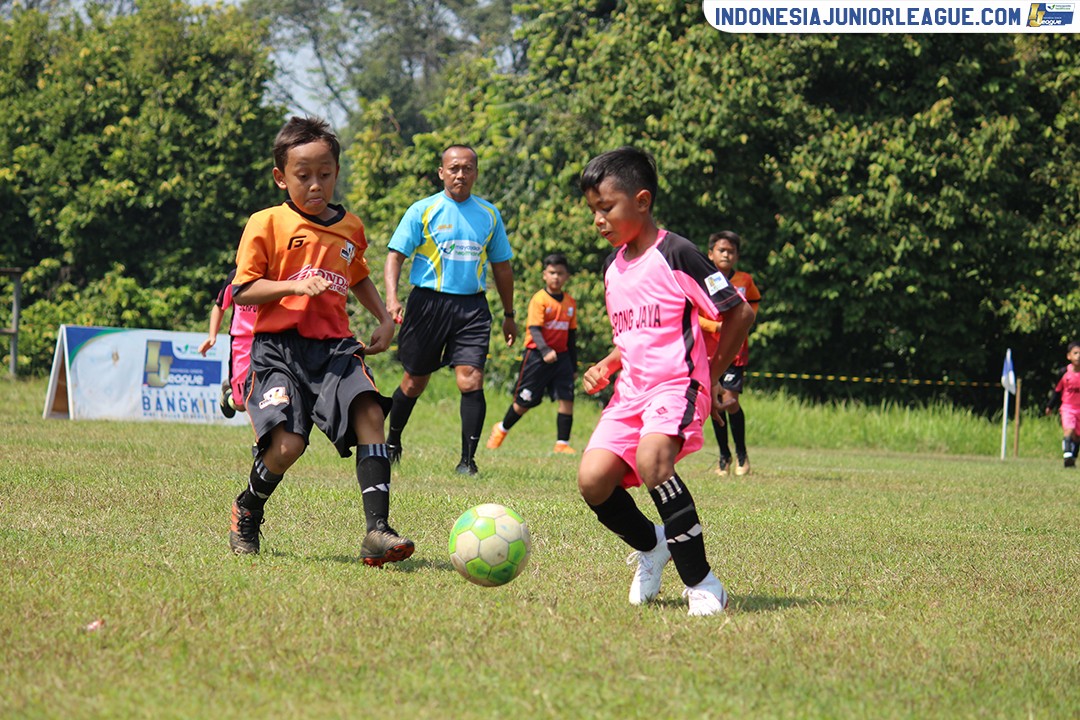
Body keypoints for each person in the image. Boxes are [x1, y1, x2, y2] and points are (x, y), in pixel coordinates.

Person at [226, 116, 414, 566]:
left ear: (335, 172)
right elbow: (243, 290)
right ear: (280, 177)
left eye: (325, 174)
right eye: (303, 175)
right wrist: (292, 286)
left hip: (334, 348)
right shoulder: (265, 223)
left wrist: (385, 318)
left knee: (370, 410)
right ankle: (248, 508)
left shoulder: (350, 227)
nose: (316, 185)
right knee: (288, 446)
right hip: (279, 351)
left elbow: (360, 276)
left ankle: (377, 531)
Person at [576, 147, 755, 617]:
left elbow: (740, 312)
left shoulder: (677, 253)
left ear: (642, 200)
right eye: (593, 210)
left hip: (678, 386)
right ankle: (653, 545)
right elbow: (637, 336)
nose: (599, 219)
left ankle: (703, 583)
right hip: (629, 393)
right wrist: (609, 364)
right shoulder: (613, 269)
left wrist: (711, 375)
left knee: (654, 459)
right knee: (593, 481)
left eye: (606, 208)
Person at [383, 145, 517, 476]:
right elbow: (395, 256)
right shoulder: (422, 210)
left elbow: (502, 267)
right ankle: (392, 441)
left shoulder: (489, 214)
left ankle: (468, 461)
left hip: (471, 306)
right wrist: (392, 298)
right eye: (454, 168)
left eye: (468, 168)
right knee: (414, 382)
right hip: (427, 303)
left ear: (476, 173)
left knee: (470, 379)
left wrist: (510, 314)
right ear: (441, 172)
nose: (461, 174)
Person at [486, 253, 578, 454]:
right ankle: (501, 429)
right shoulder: (540, 299)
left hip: (561, 358)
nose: (556, 277)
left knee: (567, 398)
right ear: (544, 275)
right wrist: (545, 350)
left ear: (567, 277)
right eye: (552, 273)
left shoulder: (570, 303)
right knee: (524, 402)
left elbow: (571, 336)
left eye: (560, 273)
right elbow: (534, 329)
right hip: (538, 356)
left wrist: (574, 365)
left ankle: (562, 443)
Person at [700, 231, 761, 476]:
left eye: (731, 251)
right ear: (710, 253)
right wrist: (715, 327)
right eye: (722, 250)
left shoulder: (745, 280)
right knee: (714, 402)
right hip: (709, 352)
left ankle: (742, 453)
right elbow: (694, 315)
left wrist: (744, 323)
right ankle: (724, 456)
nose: (727, 254)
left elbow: (753, 303)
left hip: (735, 351)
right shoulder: (704, 280)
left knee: (730, 402)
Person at [198, 267, 257, 418]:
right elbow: (219, 307)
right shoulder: (236, 276)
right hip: (242, 341)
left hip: (269, 339)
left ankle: (261, 441)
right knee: (241, 404)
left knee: (264, 395)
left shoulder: (276, 273)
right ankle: (229, 395)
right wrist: (212, 337)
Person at [1043, 341, 1080, 468]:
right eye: (1075, 353)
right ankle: (1067, 455)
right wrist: (1050, 405)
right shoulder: (1064, 372)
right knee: (1069, 430)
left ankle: (1072, 458)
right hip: (1067, 408)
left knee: (1077, 437)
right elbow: (1057, 391)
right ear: (1069, 356)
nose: (1078, 356)